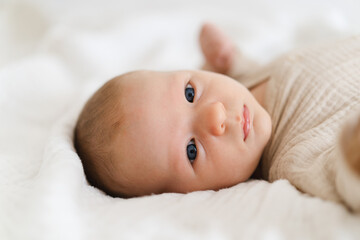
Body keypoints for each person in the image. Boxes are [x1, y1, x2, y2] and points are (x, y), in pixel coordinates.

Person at [74, 23, 360, 211]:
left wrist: (227, 59)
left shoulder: (245, 81)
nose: (216, 114)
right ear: (188, 195)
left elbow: (247, 75)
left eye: (189, 93)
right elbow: (340, 177)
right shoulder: (296, 158)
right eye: (191, 150)